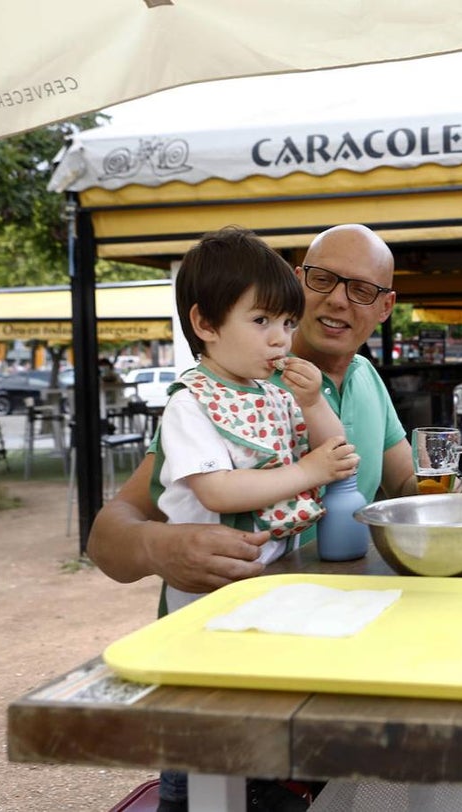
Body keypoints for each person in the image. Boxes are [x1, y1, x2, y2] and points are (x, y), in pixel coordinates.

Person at [88, 222, 418, 609]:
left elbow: (405, 485)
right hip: (226, 614)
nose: (337, 300)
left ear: (386, 307)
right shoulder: (229, 388)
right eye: (323, 279)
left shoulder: (365, 377)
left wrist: (456, 494)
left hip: (327, 611)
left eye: (361, 290)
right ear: (299, 282)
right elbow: (107, 534)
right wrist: (157, 547)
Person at [157, 226, 358, 615]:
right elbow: (217, 491)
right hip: (211, 596)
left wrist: (314, 402)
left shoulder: (276, 393)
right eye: (262, 320)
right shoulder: (190, 403)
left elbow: (337, 453)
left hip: (274, 579)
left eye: (288, 323)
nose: (280, 339)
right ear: (206, 324)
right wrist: (307, 472)